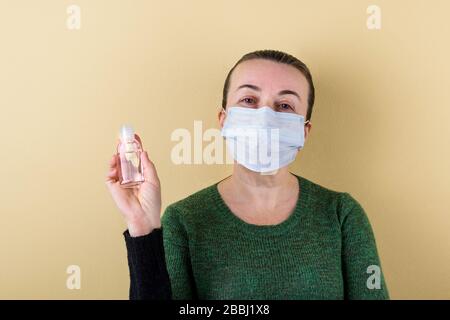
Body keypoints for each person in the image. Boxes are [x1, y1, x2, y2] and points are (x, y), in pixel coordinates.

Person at [106, 49, 389, 300]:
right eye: (249, 99)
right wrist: (142, 226)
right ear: (224, 119)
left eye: (285, 105)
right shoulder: (184, 221)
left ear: (304, 131)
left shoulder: (342, 215)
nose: (265, 117)